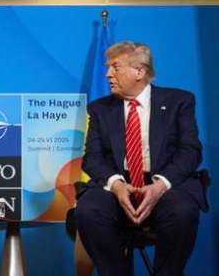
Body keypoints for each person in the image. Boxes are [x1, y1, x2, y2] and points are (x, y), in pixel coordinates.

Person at [75, 42, 206, 276]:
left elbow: (190, 151)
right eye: (107, 67)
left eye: (116, 67)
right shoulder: (99, 109)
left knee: (183, 210)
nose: (108, 74)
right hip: (117, 185)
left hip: (163, 184)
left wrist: (159, 186)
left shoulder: (179, 101)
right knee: (88, 209)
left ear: (139, 71)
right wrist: (116, 185)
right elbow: (92, 158)